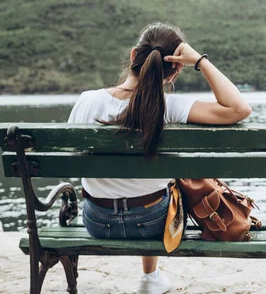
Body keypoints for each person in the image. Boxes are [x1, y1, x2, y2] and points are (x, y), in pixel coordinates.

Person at [67, 22, 252, 294]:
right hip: (151, 224)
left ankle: (150, 276)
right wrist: (199, 61)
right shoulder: (171, 107)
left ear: (133, 56)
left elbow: (73, 155)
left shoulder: (87, 100)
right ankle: (150, 277)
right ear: (174, 71)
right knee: (167, 185)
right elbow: (239, 109)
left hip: (98, 222)